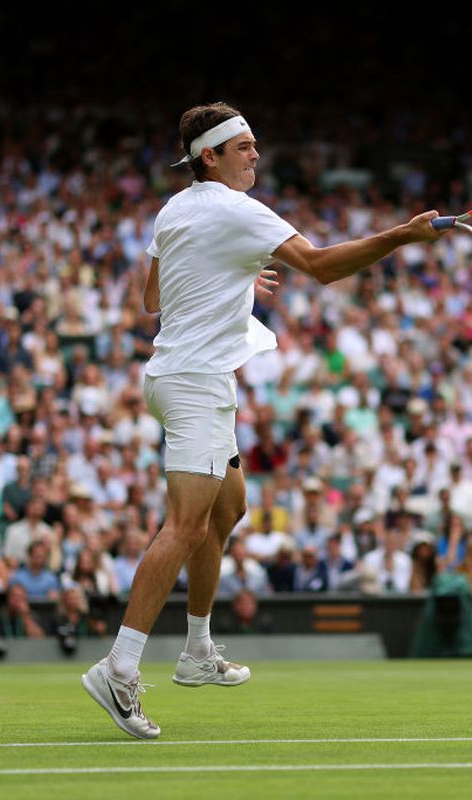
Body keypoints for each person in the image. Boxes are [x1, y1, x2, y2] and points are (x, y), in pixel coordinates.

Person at [83, 102, 445, 739]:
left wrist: (235, 278)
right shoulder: (239, 211)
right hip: (194, 383)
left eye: (254, 144)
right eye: (243, 146)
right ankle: (119, 668)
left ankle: (196, 652)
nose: (255, 154)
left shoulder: (176, 208)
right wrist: (401, 236)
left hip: (183, 379)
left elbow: (151, 299)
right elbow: (325, 268)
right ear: (210, 157)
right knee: (185, 524)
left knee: (227, 511)